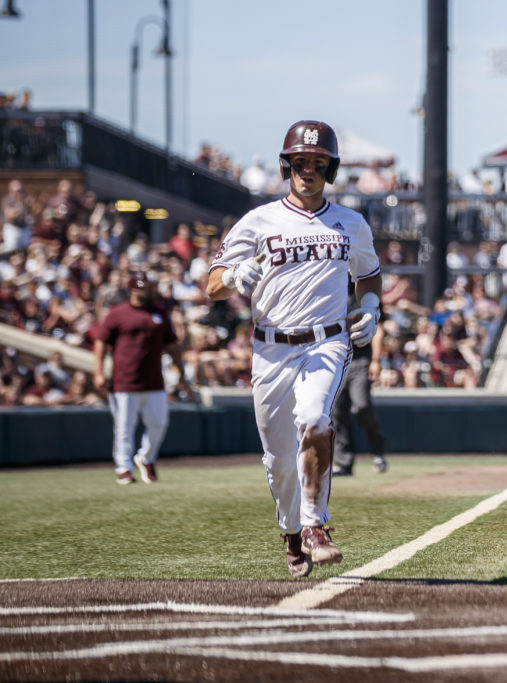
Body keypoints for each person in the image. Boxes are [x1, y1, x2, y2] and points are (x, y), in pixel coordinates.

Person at [206, 120, 382, 579]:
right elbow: (212, 284)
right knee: (279, 461)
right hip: (270, 349)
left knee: (315, 417)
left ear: (331, 169)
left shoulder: (352, 223)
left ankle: (315, 526)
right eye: (300, 163)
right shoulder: (258, 220)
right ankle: (290, 530)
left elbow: (368, 272)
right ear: (287, 166)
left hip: (327, 341)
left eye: (318, 163)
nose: (308, 171)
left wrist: (372, 305)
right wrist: (233, 278)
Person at [90, 271, 188, 485]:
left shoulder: (159, 313)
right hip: (124, 381)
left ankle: (145, 458)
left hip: (154, 381)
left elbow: (172, 344)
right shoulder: (118, 313)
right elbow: (100, 341)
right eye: (144, 288)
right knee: (124, 427)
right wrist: (98, 371)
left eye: (149, 287)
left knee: (159, 423)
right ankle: (123, 468)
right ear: (133, 289)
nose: (148, 291)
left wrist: (181, 371)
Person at [331, 281, 388, 477]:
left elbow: (379, 329)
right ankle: (343, 462)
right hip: (336, 359)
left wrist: (375, 359)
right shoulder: (330, 291)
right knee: (337, 413)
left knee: (362, 406)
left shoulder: (365, 291)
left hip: (360, 360)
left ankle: (377, 451)